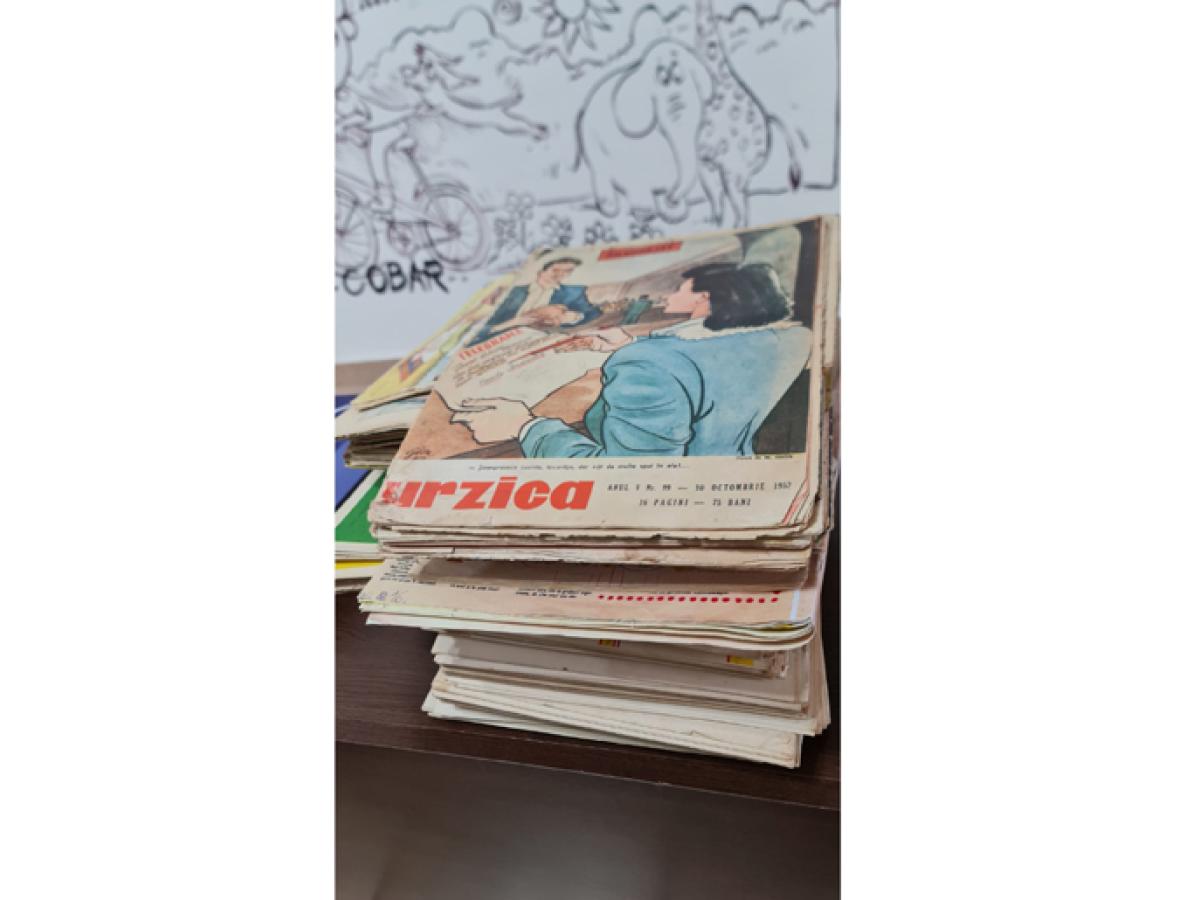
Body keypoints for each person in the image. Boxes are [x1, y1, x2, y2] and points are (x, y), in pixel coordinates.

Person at [451, 262, 812, 457]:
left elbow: (623, 476)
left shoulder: (651, 364)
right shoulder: (788, 339)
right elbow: (707, 357)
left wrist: (526, 427)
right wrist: (631, 343)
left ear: (705, 298)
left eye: (682, 288)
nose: (670, 294)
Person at [468, 256, 602, 345]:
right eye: (555, 270)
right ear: (541, 271)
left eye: (567, 271)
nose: (560, 274)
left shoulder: (574, 292)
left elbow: (593, 314)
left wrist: (572, 317)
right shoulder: (512, 292)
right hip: (500, 342)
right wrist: (512, 323)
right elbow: (479, 330)